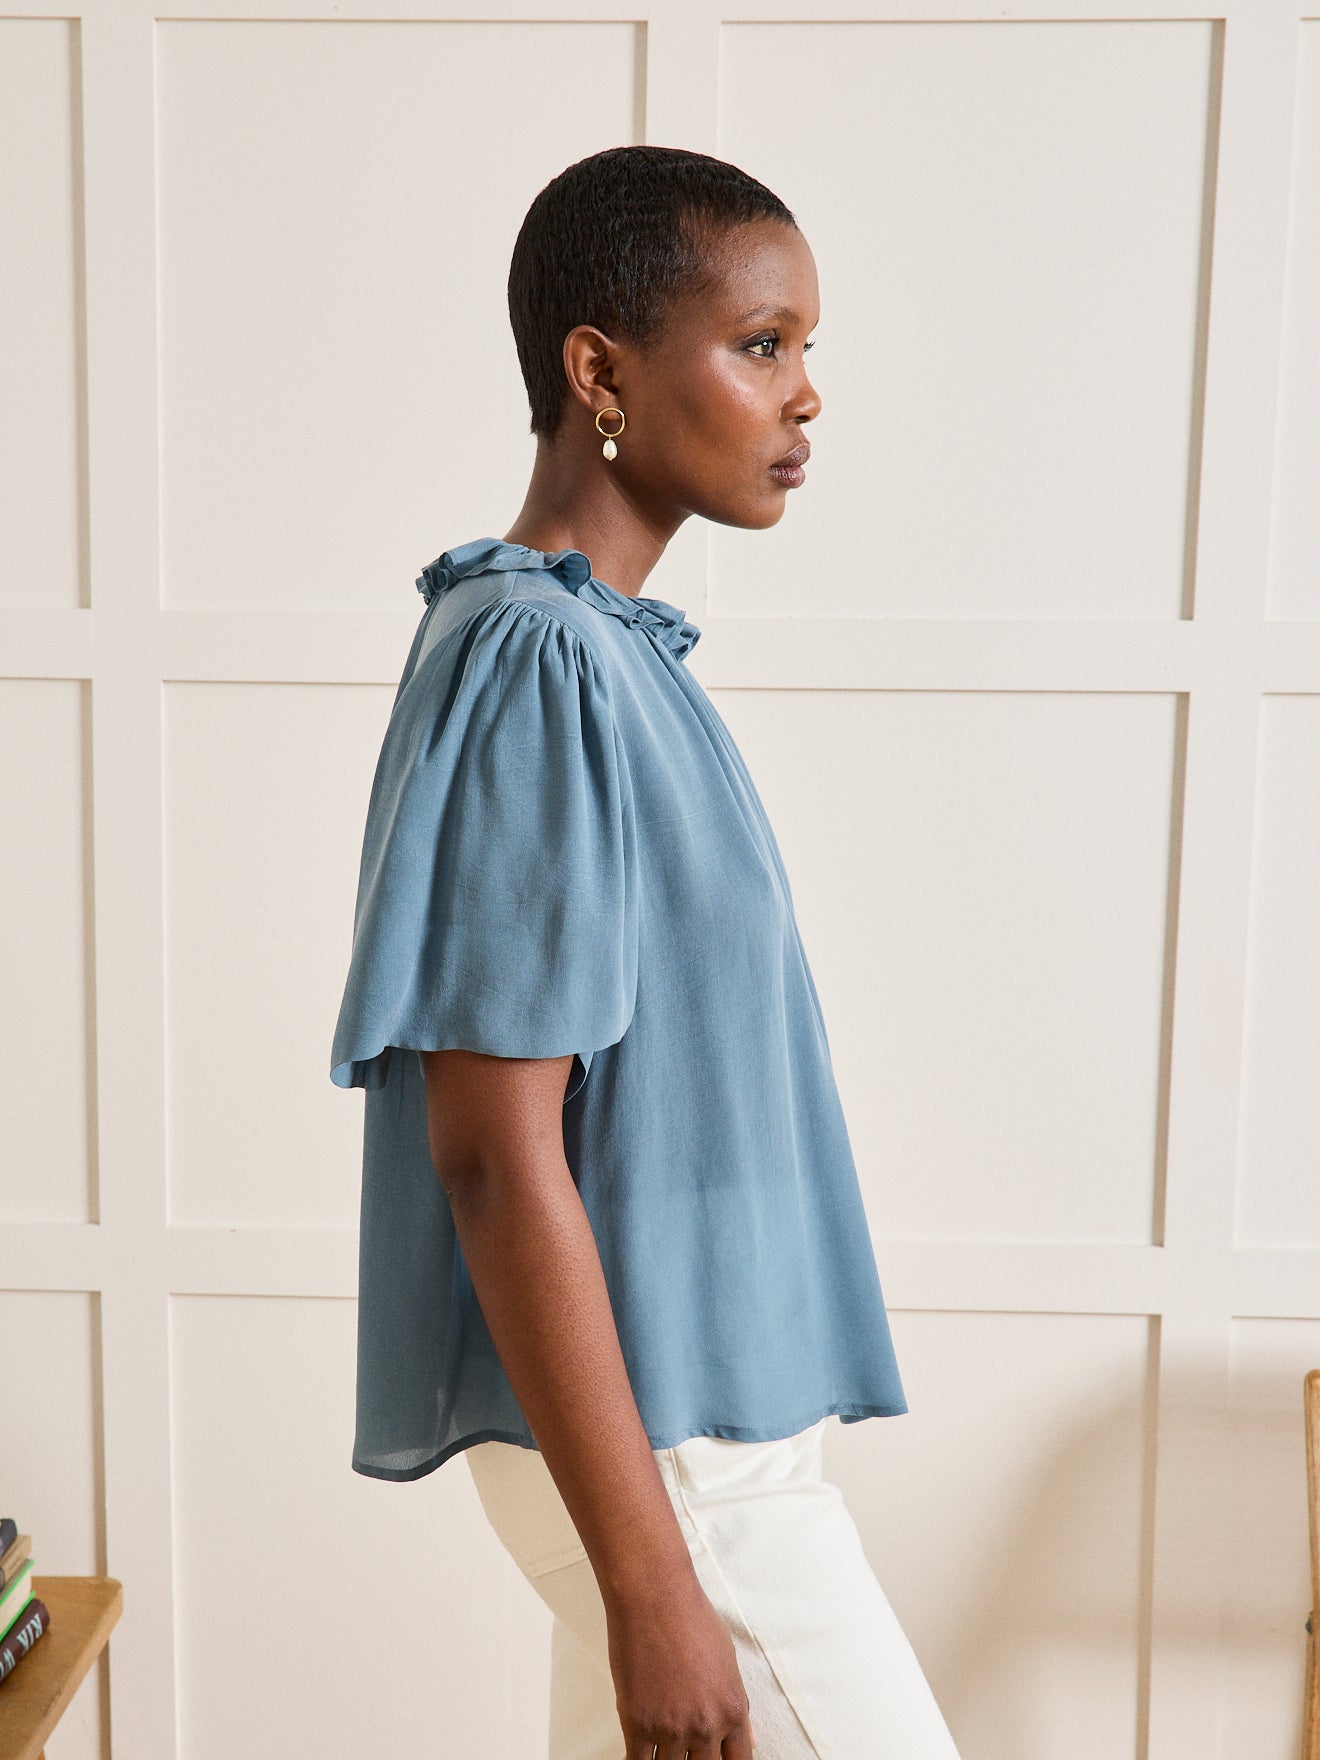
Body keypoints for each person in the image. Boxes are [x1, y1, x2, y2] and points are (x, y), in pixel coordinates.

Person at [330, 145, 962, 1760]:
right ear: (599, 373)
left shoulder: (601, 652)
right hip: (674, 1465)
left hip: (699, 1436)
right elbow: (492, 1149)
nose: (805, 394)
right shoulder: (539, 660)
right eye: (760, 344)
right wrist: (653, 1584)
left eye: (805, 347)